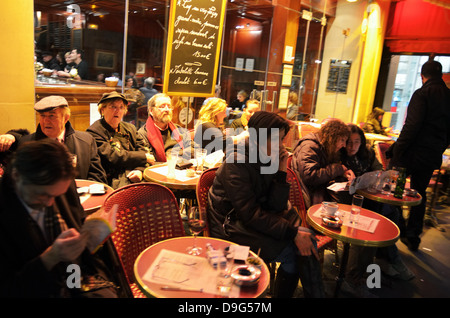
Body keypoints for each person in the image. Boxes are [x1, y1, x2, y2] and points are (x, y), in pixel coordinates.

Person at [208, 111, 325, 298]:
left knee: (305, 238)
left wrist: (281, 170)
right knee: (294, 249)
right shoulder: (236, 162)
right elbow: (249, 214)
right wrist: (291, 232)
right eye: (277, 139)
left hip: (251, 222)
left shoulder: (266, 158)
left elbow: (276, 206)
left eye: (282, 139)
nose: (282, 145)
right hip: (230, 227)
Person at [0, 139, 119, 297]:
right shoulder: (4, 210)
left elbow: (77, 223)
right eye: (42, 195)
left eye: (56, 195)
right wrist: (51, 257)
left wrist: (89, 238)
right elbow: (9, 289)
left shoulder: (61, 184)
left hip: (74, 277)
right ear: (16, 176)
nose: (50, 203)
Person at [388, 60, 450, 251]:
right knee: (419, 193)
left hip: (409, 155)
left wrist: (397, 150)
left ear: (422, 76)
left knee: (396, 192)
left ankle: (399, 229)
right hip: (431, 157)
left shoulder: (422, 93)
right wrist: (439, 149)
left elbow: (411, 126)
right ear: (440, 75)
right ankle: (413, 236)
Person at [0, 96, 107, 184]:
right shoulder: (27, 143)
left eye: (52, 116)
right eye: (42, 116)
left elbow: (97, 178)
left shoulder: (86, 141)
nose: (46, 121)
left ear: (66, 118)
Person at [87, 91, 155, 189]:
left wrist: (139, 170)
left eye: (121, 107)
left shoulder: (130, 128)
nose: (118, 111)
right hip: (109, 181)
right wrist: (143, 157)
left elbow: (144, 149)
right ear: (102, 110)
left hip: (134, 176)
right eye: (113, 107)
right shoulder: (94, 131)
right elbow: (113, 156)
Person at [291, 118, 354, 209]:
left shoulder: (325, 147)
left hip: (317, 191)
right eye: (342, 140)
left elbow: (326, 168)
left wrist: (343, 172)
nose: (344, 145)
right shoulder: (310, 146)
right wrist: (338, 169)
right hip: (308, 195)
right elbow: (310, 176)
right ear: (333, 137)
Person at [138, 93, 193, 162]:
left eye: (169, 106)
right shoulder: (143, 134)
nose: (167, 110)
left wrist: (174, 155)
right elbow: (149, 161)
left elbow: (195, 149)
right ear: (151, 111)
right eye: (162, 106)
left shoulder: (178, 129)